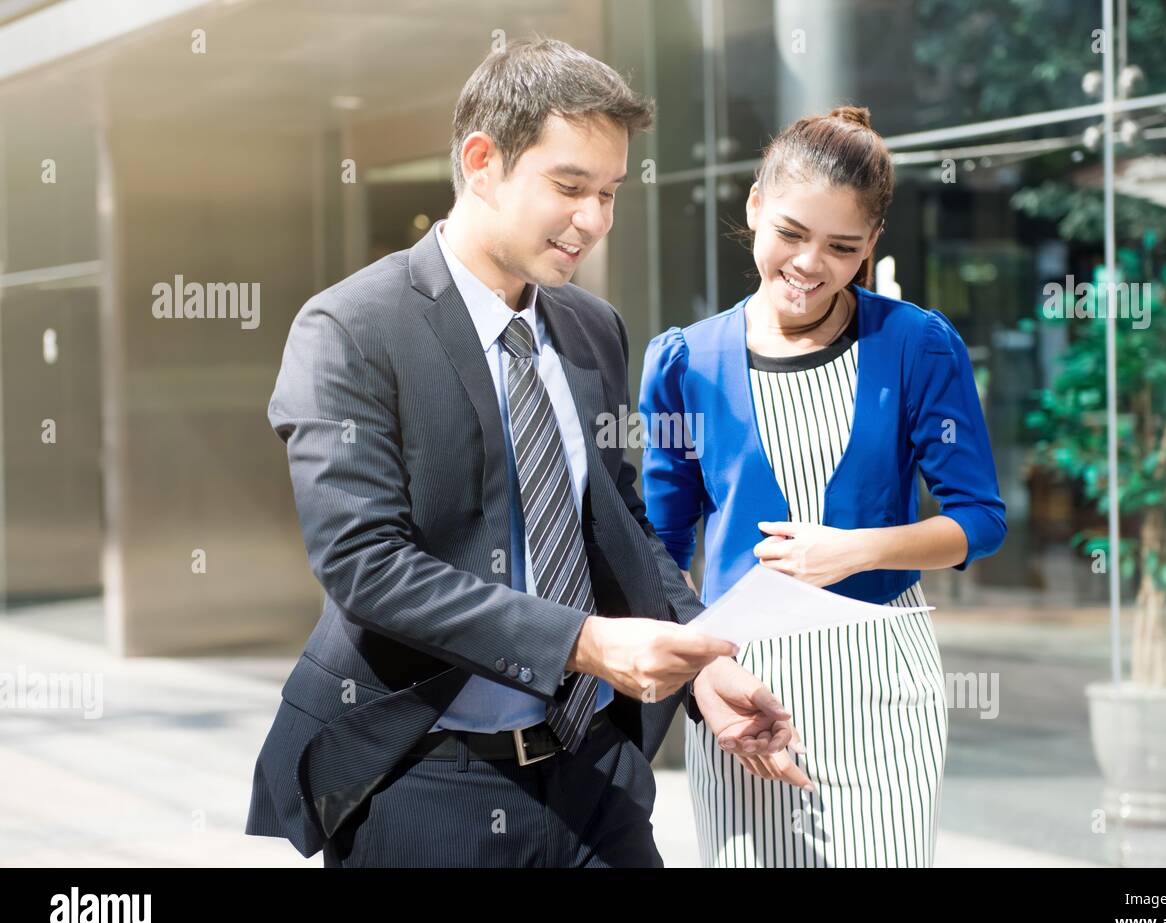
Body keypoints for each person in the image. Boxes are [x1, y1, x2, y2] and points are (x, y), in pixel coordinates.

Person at [245, 37, 797, 868]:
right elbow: (363, 564)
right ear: (481, 161)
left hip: (592, 775)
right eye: (570, 186)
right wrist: (586, 643)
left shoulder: (590, 327)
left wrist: (702, 661)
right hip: (425, 780)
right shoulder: (351, 328)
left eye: (609, 192)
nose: (596, 219)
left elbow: (621, 521)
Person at [639, 105, 1007, 867]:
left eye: (843, 247)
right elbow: (660, 550)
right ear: (753, 208)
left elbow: (979, 520)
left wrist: (856, 550)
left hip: (883, 684)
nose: (810, 265)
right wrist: (706, 675)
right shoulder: (684, 362)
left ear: (873, 243)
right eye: (791, 234)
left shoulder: (915, 344)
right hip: (745, 684)